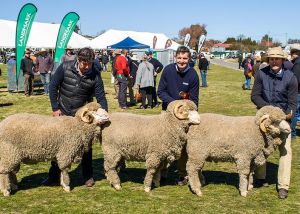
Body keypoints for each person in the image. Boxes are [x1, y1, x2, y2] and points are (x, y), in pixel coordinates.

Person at [46, 47, 108, 187]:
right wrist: (55, 108)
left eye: (90, 64)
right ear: (78, 60)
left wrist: (104, 113)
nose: (87, 67)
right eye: (84, 64)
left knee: (86, 146)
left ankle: (88, 176)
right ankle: (53, 176)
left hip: (81, 115)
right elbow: (53, 86)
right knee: (59, 145)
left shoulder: (95, 75)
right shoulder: (65, 67)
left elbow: (101, 96)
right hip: (63, 112)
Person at [251, 47, 297, 199]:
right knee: (261, 148)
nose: (274, 61)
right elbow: (255, 96)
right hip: (264, 118)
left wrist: (285, 117)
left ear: (283, 60)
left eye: (277, 58)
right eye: (272, 59)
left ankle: (283, 186)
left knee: (285, 151)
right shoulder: (260, 74)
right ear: (268, 60)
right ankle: (260, 177)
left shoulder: (291, 78)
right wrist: (268, 110)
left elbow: (292, 103)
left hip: (283, 119)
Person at [157, 46, 199, 185]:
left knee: (183, 144)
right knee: (163, 144)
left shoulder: (193, 75)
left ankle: (183, 174)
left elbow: (194, 101)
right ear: (175, 58)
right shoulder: (168, 70)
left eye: (185, 58)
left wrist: (183, 109)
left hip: (184, 115)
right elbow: (161, 91)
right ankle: (161, 172)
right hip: (168, 112)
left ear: (189, 59)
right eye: (179, 58)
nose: (182, 61)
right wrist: (174, 104)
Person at [290, 44, 300, 138]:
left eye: (293, 52)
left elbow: (296, 80)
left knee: (294, 112)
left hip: (297, 92)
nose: (291, 54)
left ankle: (292, 133)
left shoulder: (297, 64)